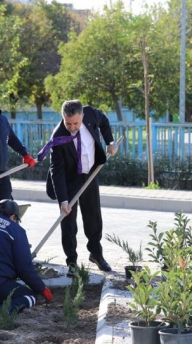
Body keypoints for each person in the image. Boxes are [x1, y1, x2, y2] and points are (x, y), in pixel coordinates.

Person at [41, 100, 118, 276]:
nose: (72, 127)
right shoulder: (58, 137)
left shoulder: (91, 114)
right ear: (63, 118)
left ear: (82, 115)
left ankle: (96, 254)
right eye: (68, 123)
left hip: (90, 173)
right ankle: (72, 262)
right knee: (68, 221)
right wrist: (63, 200)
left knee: (93, 216)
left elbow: (104, 122)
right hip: (69, 179)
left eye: (76, 123)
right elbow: (57, 171)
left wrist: (110, 142)